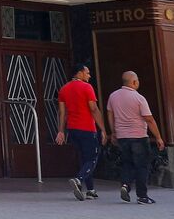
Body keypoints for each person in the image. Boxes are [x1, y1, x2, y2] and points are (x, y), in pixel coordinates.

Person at [106, 70, 165, 205]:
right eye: (137, 80)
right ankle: (142, 196)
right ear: (134, 82)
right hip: (138, 136)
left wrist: (113, 132)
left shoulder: (113, 96)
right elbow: (149, 119)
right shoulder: (139, 98)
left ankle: (125, 185)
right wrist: (158, 137)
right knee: (141, 166)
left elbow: (110, 114)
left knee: (127, 163)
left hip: (122, 137)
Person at [56, 62, 108, 201]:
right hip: (87, 128)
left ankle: (90, 190)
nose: (89, 76)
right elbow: (94, 109)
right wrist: (103, 129)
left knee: (84, 159)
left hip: (72, 129)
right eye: (87, 73)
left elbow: (62, 113)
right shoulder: (87, 87)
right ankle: (78, 179)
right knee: (92, 158)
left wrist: (61, 131)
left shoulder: (63, 89)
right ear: (79, 73)